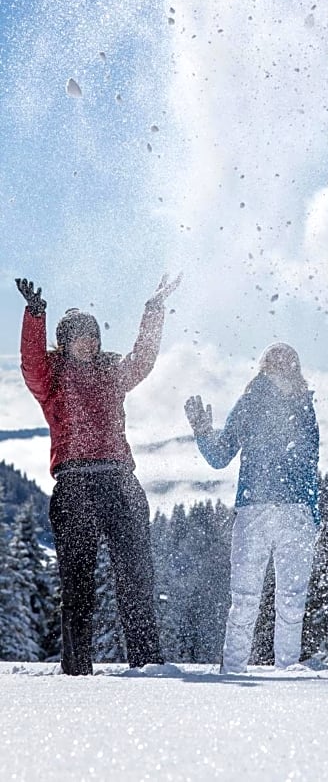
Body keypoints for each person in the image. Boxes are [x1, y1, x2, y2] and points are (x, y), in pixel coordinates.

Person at [16, 273, 181, 675]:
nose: (87, 342)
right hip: (74, 485)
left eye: (92, 335)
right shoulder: (51, 380)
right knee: (77, 584)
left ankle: (147, 664)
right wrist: (35, 316)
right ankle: (76, 670)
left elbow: (143, 358)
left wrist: (154, 308)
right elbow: (31, 364)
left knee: (136, 576)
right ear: (65, 341)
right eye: (77, 336)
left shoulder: (112, 373)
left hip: (120, 481)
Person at [184, 342, 319, 673]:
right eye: (280, 361)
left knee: (252, 600)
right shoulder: (268, 402)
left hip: (266, 511)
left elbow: (220, 457)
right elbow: (220, 457)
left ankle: (242, 669)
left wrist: (203, 434)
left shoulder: (296, 404)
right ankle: (277, 670)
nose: (284, 366)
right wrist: (202, 432)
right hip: (279, 512)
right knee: (285, 600)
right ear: (267, 366)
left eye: (289, 361)